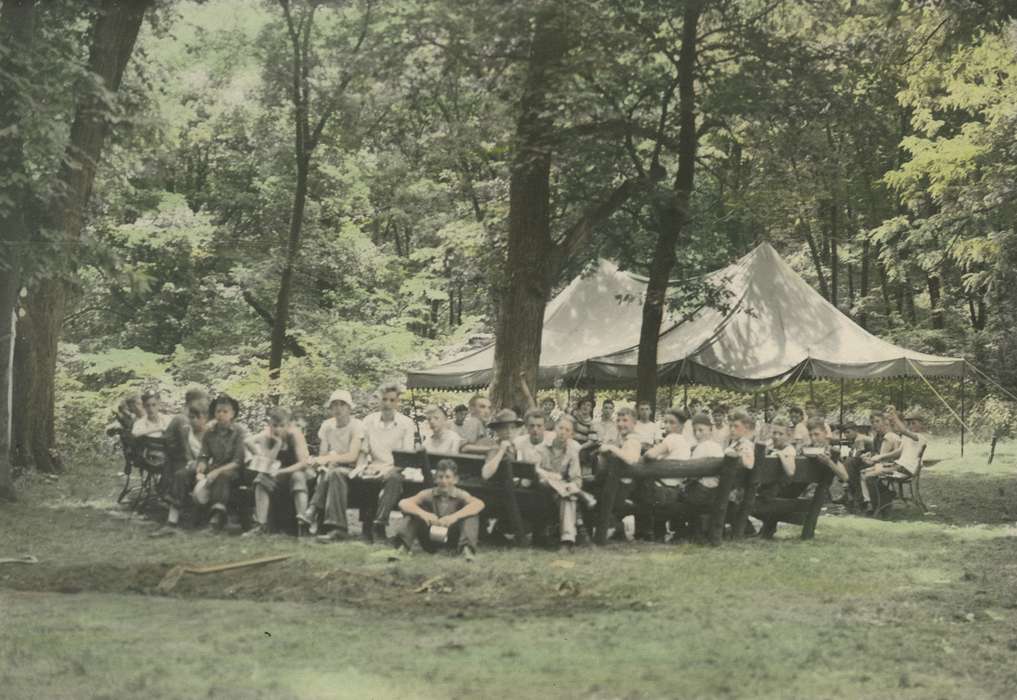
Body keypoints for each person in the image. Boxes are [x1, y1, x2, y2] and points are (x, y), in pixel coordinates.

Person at [299, 389, 365, 541]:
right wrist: (324, 460)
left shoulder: (357, 426)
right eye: (334, 405)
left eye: (342, 404)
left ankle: (314, 511)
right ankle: (314, 523)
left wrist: (331, 458)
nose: (338, 408)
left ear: (349, 408)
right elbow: (323, 454)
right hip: (330, 468)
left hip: (353, 469)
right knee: (316, 472)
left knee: (331, 473)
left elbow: (353, 456)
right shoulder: (327, 426)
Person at [391, 459, 485, 561]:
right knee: (414, 511)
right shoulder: (428, 494)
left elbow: (479, 504)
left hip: (452, 539)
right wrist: (423, 514)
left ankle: (466, 551)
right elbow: (403, 503)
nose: (444, 481)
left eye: (448, 477)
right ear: (435, 479)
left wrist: (454, 517)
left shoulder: (461, 494)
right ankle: (402, 549)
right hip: (429, 538)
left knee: (471, 514)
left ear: (455, 479)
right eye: (440, 477)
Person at [359, 383, 417, 542]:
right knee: (364, 479)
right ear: (379, 400)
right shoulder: (368, 421)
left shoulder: (406, 423)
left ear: (398, 402)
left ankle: (379, 524)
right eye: (384, 399)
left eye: (392, 400)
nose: (387, 404)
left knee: (393, 479)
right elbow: (363, 451)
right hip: (373, 466)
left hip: (395, 468)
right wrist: (364, 467)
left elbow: (407, 456)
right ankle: (366, 527)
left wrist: (391, 470)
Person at [245, 407, 312, 537]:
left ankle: (302, 524)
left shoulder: (295, 435)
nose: (278, 429)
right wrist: (276, 444)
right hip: (278, 476)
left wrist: (281, 471)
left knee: (298, 477)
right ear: (270, 425)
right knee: (261, 479)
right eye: (274, 426)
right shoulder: (267, 437)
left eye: (282, 426)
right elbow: (250, 444)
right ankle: (261, 525)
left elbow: (303, 463)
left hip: (296, 473)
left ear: (288, 425)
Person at [150, 390, 209, 537]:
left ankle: (196, 519)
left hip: (206, 465)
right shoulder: (183, 422)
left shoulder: (206, 428)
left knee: (186, 474)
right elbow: (184, 448)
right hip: (182, 465)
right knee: (182, 475)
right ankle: (172, 523)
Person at [192, 394, 247, 532]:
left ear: (232, 413)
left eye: (225, 411)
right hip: (215, 467)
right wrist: (201, 467)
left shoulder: (239, 432)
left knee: (221, 477)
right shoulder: (209, 432)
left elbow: (238, 461)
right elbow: (204, 455)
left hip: (235, 471)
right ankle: (187, 516)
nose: (221, 415)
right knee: (189, 473)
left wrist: (216, 472)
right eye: (218, 411)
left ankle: (215, 519)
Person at [638, 407, 694, 540]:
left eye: (672, 422)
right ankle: (657, 532)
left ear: (681, 425)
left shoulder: (672, 438)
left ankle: (644, 531)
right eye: (666, 422)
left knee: (638, 486)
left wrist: (642, 457)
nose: (667, 426)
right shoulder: (685, 442)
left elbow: (650, 454)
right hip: (675, 489)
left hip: (662, 490)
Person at [859, 407, 926, 512]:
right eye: (909, 423)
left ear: (922, 425)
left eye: (914, 423)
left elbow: (903, 430)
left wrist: (893, 415)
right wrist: (880, 457)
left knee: (870, 475)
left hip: (906, 469)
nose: (911, 426)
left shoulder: (920, 437)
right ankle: (876, 500)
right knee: (865, 472)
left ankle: (878, 505)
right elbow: (898, 452)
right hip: (898, 466)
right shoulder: (907, 437)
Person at [536, 415, 587, 551]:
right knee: (556, 488)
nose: (563, 432)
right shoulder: (541, 448)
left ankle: (567, 541)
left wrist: (573, 486)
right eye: (560, 428)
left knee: (568, 496)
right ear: (554, 429)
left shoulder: (572, 452)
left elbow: (576, 478)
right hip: (541, 490)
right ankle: (573, 534)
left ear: (571, 434)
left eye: (567, 430)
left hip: (561, 490)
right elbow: (534, 470)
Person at [481, 409, 525, 480]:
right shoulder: (496, 448)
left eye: (512, 428)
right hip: (499, 487)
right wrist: (501, 451)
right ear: (497, 430)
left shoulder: (515, 446)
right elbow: (485, 474)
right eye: (504, 428)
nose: (509, 432)